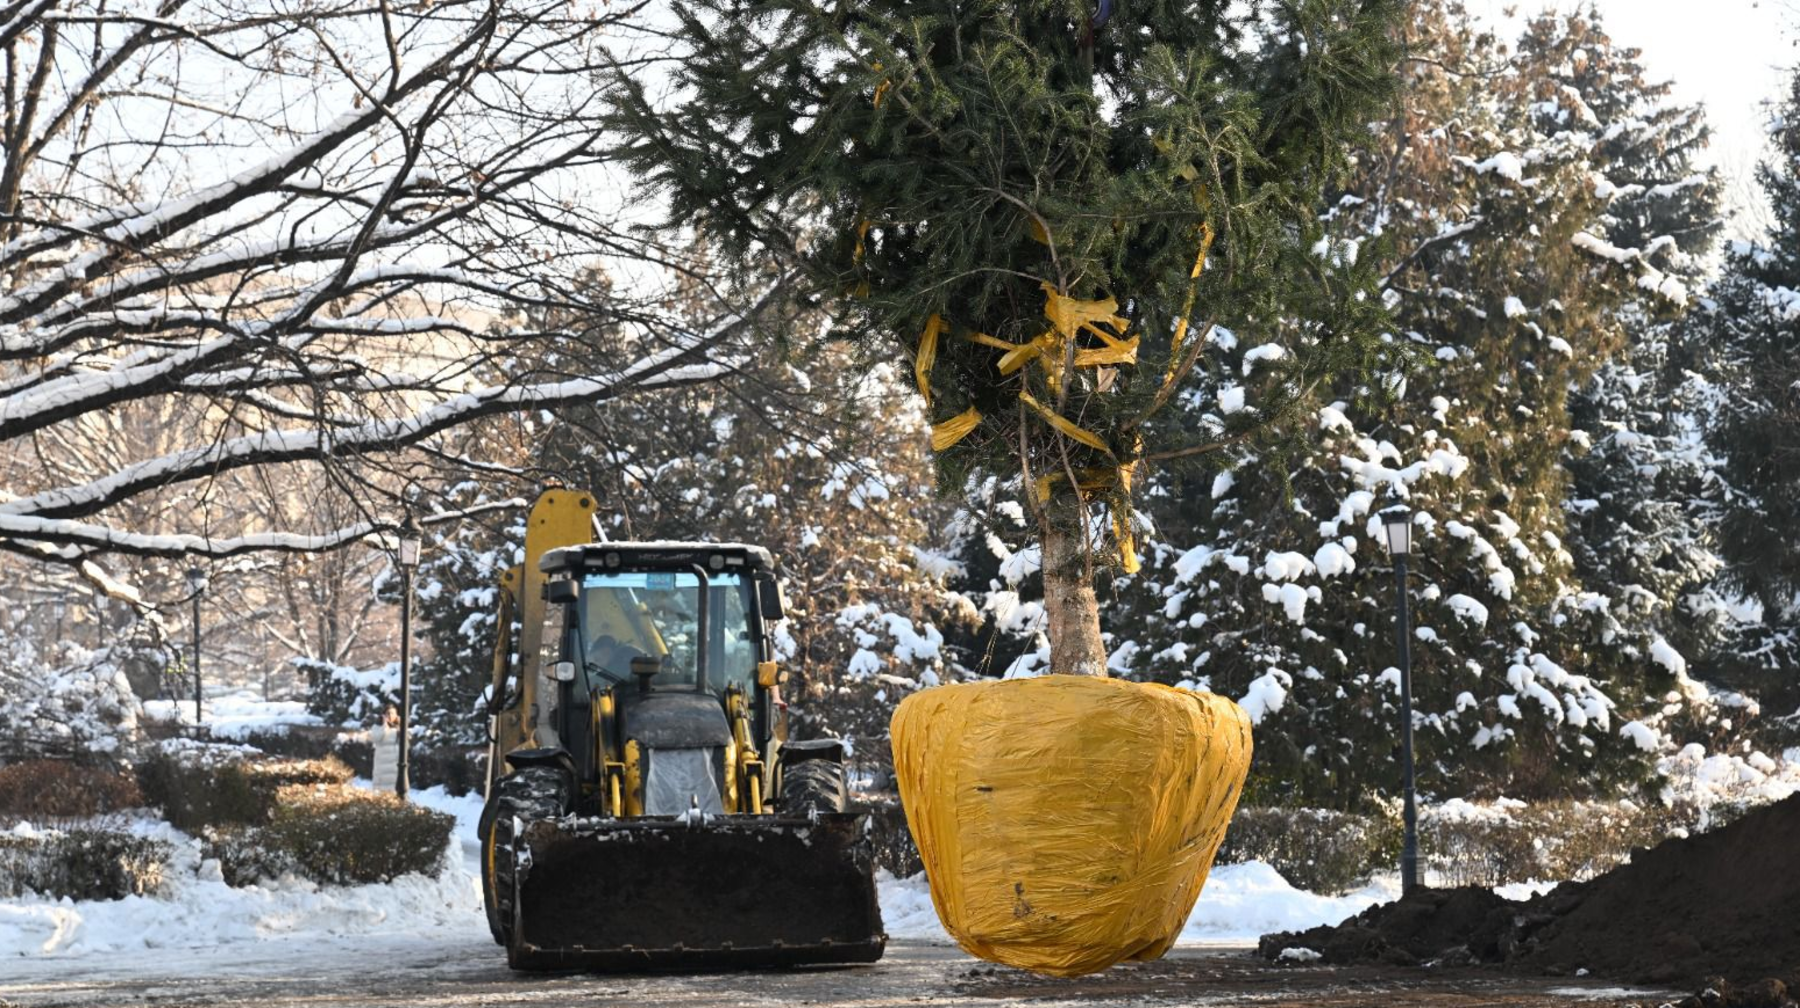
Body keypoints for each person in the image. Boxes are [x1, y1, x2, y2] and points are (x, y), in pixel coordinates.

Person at [371, 704, 401, 793]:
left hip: (395, 766)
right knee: (381, 792)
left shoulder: (399, 729)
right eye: (388, 713)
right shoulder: (377, 727)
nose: (390, 716)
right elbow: (376, 738)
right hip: (382, 766)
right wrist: (384, 726)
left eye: (393, 713)